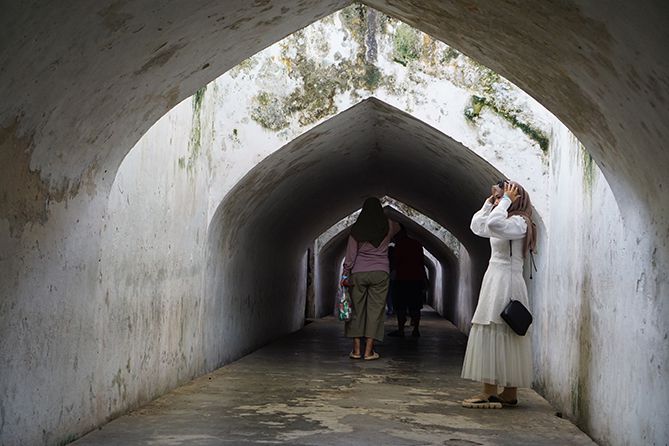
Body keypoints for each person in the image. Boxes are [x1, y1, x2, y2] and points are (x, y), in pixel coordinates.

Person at [461, 180, 537, 409]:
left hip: (507, 281)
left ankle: (497, 391)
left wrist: (505, 202)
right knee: (494, 329)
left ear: (516, 198)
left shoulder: (519, 223)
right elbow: (478, 225)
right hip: (495, 278)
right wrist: (489, 203)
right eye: (495, 197)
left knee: (504, 329)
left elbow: (494, 224)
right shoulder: (504, 218)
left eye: (502, 196)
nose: (497, 201)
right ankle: (498, 391)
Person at [341, 197, 400, 360]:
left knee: (357, 312)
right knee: (376, 312)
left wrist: (345, 274)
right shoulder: (389, 226)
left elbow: (350, 256)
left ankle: (356, 350)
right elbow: (399, 225)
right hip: (381, 273)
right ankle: (369, 352)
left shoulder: (356, 229)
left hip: (358, 273)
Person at [388, 225, 427, 338]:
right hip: (416, 279)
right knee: (415, 306)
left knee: (401, 306)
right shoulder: (417, 244)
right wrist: (424, 278)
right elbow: (421, 262)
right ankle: (416, 329)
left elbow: (395, 263)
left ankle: (401, 330)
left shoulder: (398, 246)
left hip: (402, 279)